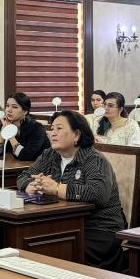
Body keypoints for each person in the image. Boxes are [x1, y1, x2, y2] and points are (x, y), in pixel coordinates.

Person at [18, 110, 126, 269]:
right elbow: (24, 176)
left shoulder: (94, 159)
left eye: (59, 129)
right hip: (62, 224)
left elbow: (98, 193)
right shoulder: (50, 155)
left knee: (55, 253)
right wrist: (30, 185)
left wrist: (56, 188)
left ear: (77, 135)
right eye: (52, 129)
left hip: (98, 228)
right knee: (27, 247)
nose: (52, 133)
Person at [0, 92, 48, 161]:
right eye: (7, 106)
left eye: (14, 107)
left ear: (25, 111)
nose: (9, 110)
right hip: (15, 165)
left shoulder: (37, 128)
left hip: (37, 165)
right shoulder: (7, 124)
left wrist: (9, 132)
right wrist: (3, 130)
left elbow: (25, 155)